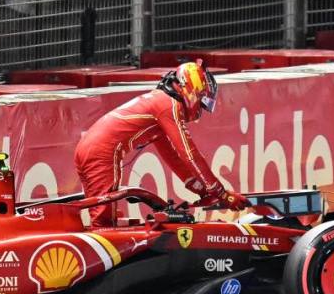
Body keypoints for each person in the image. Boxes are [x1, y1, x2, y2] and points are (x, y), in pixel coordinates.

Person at [74, 61, 248, 227]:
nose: (201, 107)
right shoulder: (169, 107)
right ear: (191, 90)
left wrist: (202, 190)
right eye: (202, 100)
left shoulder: (161, 102)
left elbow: (172, 157)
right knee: (102, 223)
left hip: (91, 149)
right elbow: (190, 155)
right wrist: (221, 193)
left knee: (102, 216)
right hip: (102, 153)